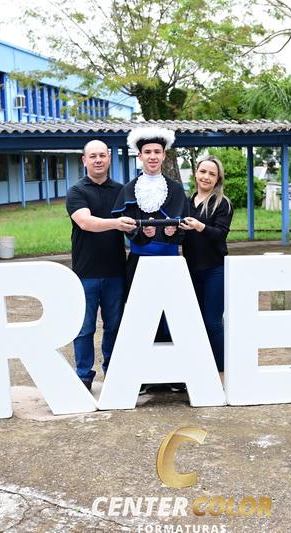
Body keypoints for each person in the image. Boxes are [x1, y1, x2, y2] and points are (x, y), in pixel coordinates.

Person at [112, 126, 189, 393]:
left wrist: (173, 233)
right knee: (140, 315)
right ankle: (142, 375)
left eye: (157, 151)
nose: (153, 156)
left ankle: (175, 373)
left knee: (172, 315)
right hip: (139, 261)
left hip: (170, 261)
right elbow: (123, 223)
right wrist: (138, 234)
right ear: (140, 156)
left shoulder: (176, 189)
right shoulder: (129, 189)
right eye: (148, 152)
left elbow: (185, 224)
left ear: (164, 155)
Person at [66, 139, 136, 391]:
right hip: (86, 272)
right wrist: (117, 223)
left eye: (102, 155)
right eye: (93, 156)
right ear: (84, 160)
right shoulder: (76, 191)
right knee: (84, 328)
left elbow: (133, 226)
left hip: (116, 271)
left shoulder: (121, 190)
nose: (98, 160)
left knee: (115, 326)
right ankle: (84, 375)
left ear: (109, 158)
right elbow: (85, 222)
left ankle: (113, 371)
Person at [180, 155, 233, 378]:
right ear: (195, 173)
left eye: (212, 174)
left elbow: (220, 234)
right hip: (190, 270)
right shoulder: (186, 202)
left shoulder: (222, 203)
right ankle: (201, 370)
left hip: (214, 270)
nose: (206, 177)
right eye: (203, 171)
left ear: (218, 179)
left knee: (212, 322)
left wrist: (200, 226)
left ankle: (222, 373)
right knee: (195, 323)